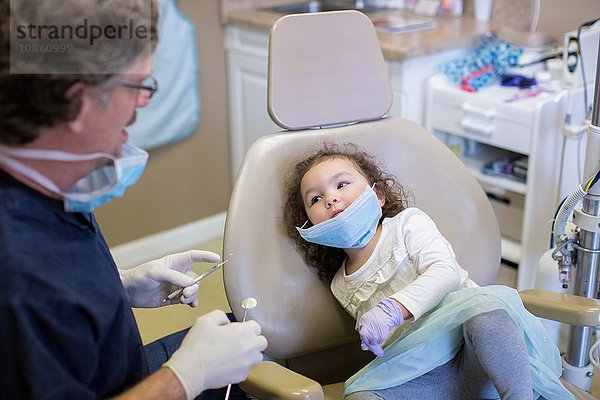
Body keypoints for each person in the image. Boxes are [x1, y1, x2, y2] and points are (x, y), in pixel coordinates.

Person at [0, 0, 267, 399]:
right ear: (79, 102)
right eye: (139, 86)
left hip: (117, 369)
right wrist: (185, 376)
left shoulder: (51, 186)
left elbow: (59, 307)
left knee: (256, 339)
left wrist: (117, 288)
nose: (145, 102)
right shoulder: (19, 277)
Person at [283, 142, 573, 400]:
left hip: (471, 353)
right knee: (362, 394)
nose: (331, 199)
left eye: (342, 184)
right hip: (426, 377)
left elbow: (445, 272)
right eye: (315, 199)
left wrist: (394, 309)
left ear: (379, 195)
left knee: (487, 313)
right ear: (312, 228)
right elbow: (389, 347)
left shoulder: (408, 224)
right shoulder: (340, 285)